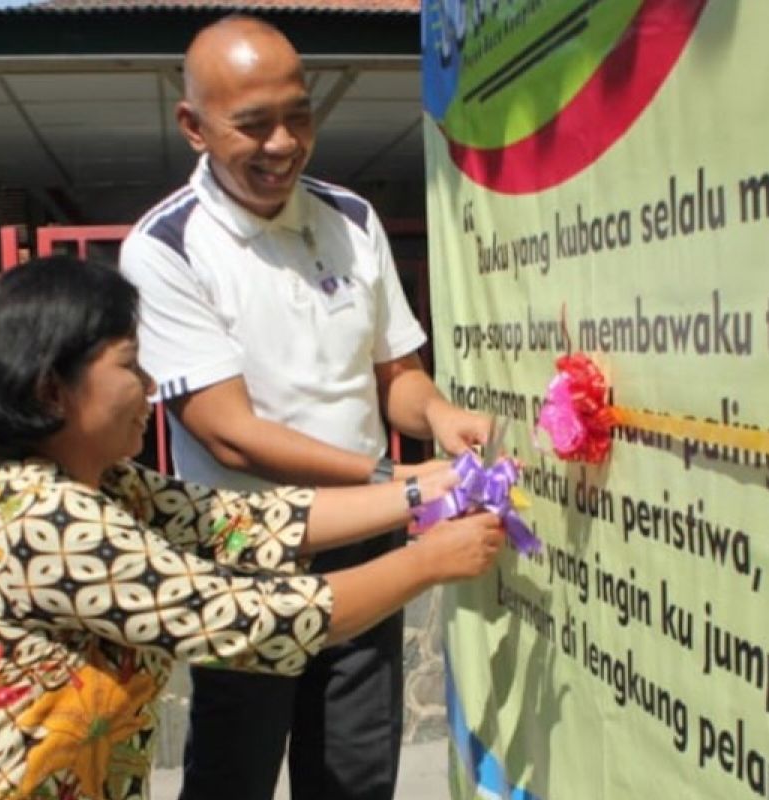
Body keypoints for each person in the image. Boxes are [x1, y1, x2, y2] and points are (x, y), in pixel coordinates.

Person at [0, 257, 503, 800]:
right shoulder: (50, 522)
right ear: (51, 391)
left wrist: (426, 489)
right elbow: (256, 617)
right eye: (129, 366)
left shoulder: (103, 484)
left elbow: (250, 522)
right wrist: (428, 562)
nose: (151, 390)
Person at [118, 15, 491, 800]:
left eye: (299, 115)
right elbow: (232, 438)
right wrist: (395, 475)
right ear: (194, 126)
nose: (283, 143)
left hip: (365, 539)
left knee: (355, 774)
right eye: (253, 125)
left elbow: (397, 374)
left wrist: (440, 416)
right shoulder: (167, 248)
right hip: (246, 555)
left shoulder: (350, 220)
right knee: (235, 774)